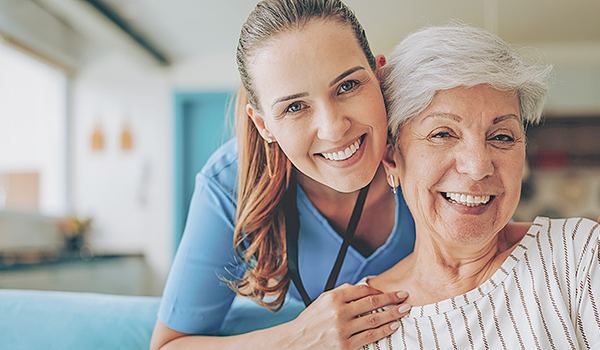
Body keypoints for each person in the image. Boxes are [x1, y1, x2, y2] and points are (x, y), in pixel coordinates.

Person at [150, 0, 417, 349]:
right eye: (294, 106)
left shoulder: (430, 145)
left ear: (378, 76)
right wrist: (297, 338)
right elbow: (169, 345)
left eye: (348, 86)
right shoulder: (230, 184)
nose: (334, 128)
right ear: (264, 125)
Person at [360, 23, 600, 349]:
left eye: (501, 136)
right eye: (443, 134)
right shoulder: (357, 323)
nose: (477, 167)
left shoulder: (577, 257)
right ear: (392, 158)